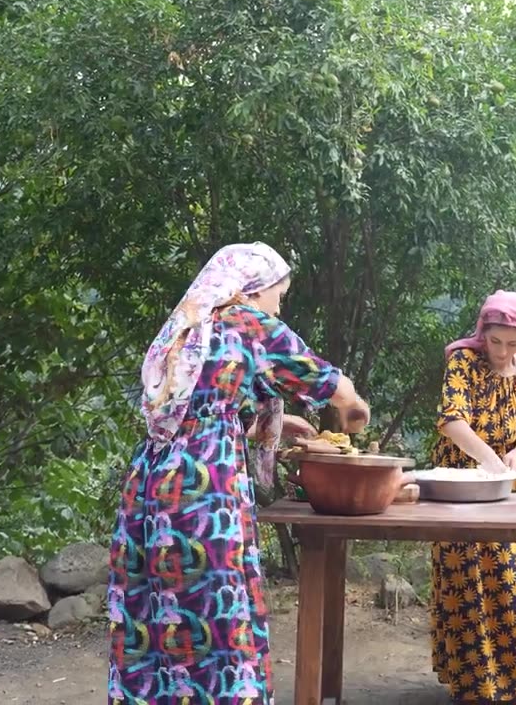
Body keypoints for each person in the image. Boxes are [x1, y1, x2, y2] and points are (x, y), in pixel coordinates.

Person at [107, 242, 370, 705]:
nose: (277, 306)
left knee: (158, 618)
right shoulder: (248, 322)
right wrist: (354, 409)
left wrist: (279, 422)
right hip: (203, 491)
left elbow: (203, 409)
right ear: (251, 290)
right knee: (216, 620)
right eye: (279, 296)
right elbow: (329, 383)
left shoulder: (187, 329)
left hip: (151, 490)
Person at [430, 289, 516, 704]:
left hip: (509, 487)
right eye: (495, 341)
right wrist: (487, 460)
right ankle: (472, 687)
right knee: (467, 582)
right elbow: (451, 420)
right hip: (458, 484)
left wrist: (515, 455)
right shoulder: (463, 361)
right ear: (483, 333)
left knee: (511, 581)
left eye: (512, 344)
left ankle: (515, 685)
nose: (502, 352)